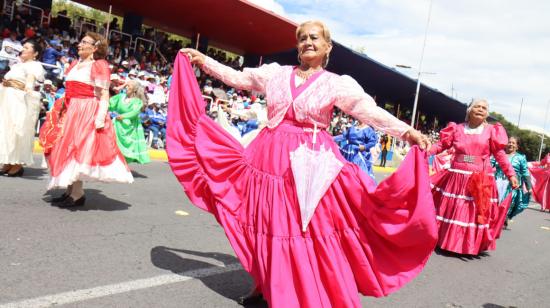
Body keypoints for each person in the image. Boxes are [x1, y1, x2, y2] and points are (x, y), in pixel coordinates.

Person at [171, 20, 437, 308]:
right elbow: (240, 78)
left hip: (311, 164)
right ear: (297, 46)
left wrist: (406, 131)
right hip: (267, 159)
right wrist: (204, 61)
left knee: (303, 229)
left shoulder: (337, 83)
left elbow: (367, 111)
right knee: (268, 223)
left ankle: (302, 290)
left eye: (314, 38)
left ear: (327, 47)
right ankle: (264, 284)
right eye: (302, 38)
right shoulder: (276, 74)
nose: (308, 42)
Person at [42, 32, 133, 207]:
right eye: (81, 41)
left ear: (95, 47)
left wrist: (100, 116)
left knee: (76, 148)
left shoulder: (99, 65)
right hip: (69, 107)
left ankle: (77, 194)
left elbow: (104, 93)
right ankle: (70, 190)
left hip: (85, 110)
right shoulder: (76, 64)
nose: (79, 44)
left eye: (84, 42)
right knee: (64, 147)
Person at [429, 99, 519, 255]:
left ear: (487, 114)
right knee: (454, 209)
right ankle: (447, 242)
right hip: (456, 177)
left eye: (484, 108)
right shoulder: (456, 129)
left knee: (472, 212)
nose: (481, 109)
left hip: (480, 179)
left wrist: (511, 174)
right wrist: (425, 150)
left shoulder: (492, 131)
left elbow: (499, 155)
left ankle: (467, 246)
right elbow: (441, 146)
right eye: (477, 106)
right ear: (469, 110)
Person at [0, 40, 45, 176]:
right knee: (7, 129)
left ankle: (18, 164)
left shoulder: (35, 65)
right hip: (7, 98)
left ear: (35, 53)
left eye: (26, 48)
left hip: (20, 100)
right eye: (23, 47)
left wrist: (29, 87)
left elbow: (31, 78)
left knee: (18, 130)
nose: (22, 49)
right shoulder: (17, 65)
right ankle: (9, 161)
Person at [492, 136, 532, 228]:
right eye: (509, 142)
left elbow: (525, 173)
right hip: (496, 183)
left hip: (511, 186)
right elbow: (489, 164)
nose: (510, 144)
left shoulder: (520, 158)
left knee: (507, 204)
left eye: (513, 143)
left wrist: (529, 187)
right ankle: (494, 219)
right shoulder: (499, 155)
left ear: (517, 146)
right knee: (494, 202)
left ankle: (503, 219)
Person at [109, 80, 151, 164]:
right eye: (126, 86)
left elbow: (134, 112)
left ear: (134, 89)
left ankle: (122, 163)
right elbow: (110, 104)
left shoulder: (137, 101)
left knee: (126, 147)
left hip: (129, 127)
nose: (127, 87)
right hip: (117, 124)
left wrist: (123, 116)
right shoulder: (120, 97)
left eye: (129, 86)